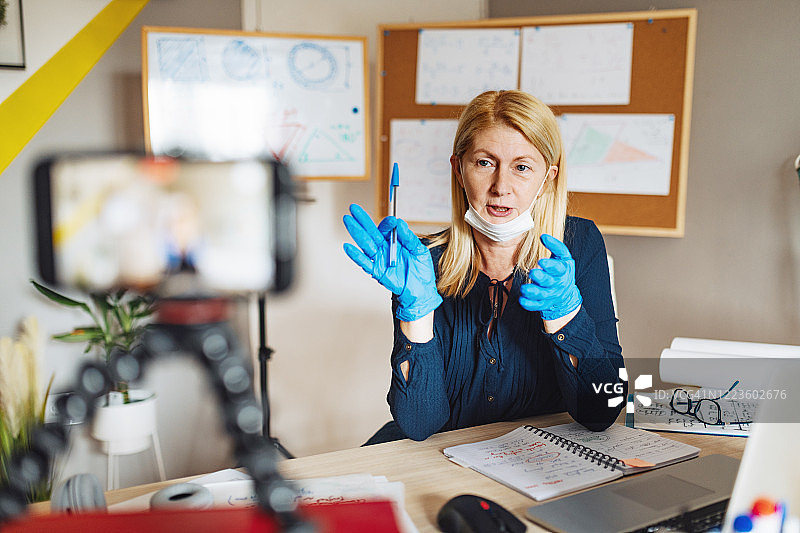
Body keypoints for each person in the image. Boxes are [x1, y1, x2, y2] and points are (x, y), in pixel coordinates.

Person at [343, 90, 625, 444]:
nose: (500, 187)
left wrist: (566, 316)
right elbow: (419, 424)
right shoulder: (422, 263)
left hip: (537, 457)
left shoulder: (579, 243)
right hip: (441, 456)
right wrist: (416, 313)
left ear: (547, 178)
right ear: (459, 170)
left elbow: (601, 412)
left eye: (522, 167)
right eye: (484, 163)